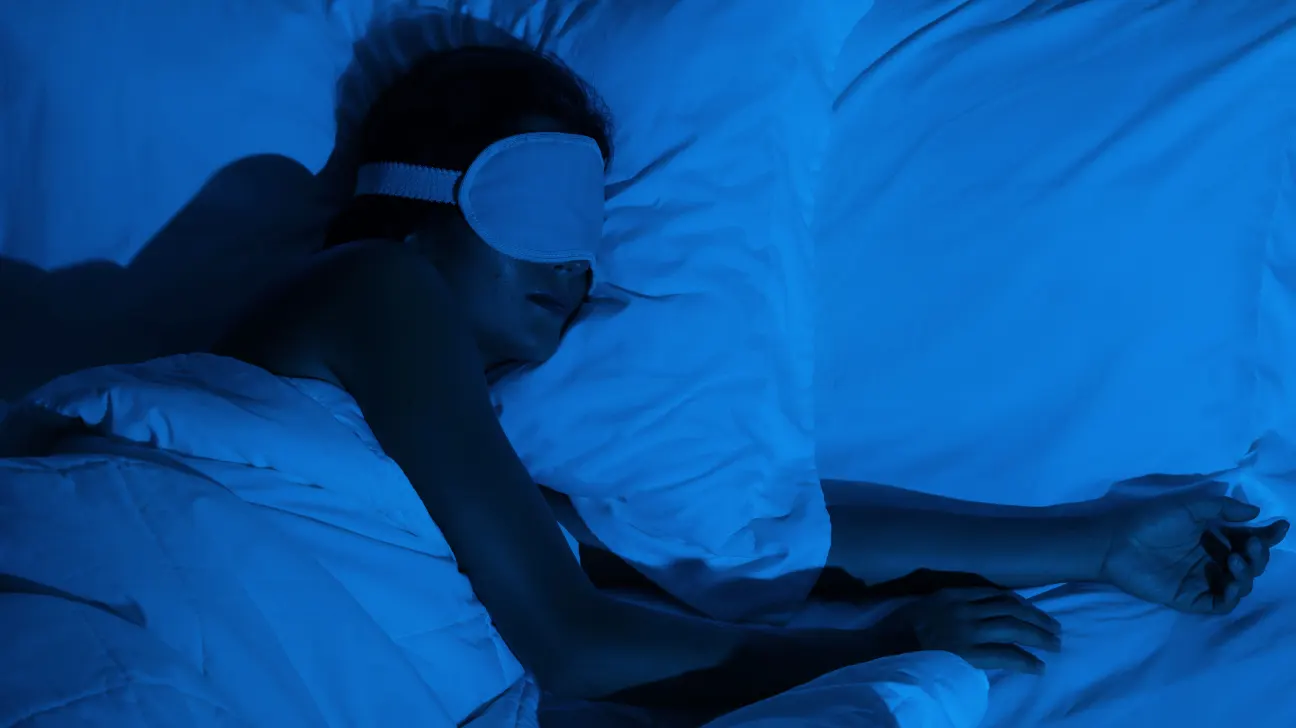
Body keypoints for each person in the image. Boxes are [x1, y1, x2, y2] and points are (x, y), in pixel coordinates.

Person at [213, 43, 1288, 720]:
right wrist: (864, 648)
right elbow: (574, 634)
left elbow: (729, 542)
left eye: (587, 234)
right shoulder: (376, 287)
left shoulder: (477, 469)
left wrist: (1096, 544)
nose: (574, 269)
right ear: (420, 201)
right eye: (537, 210)